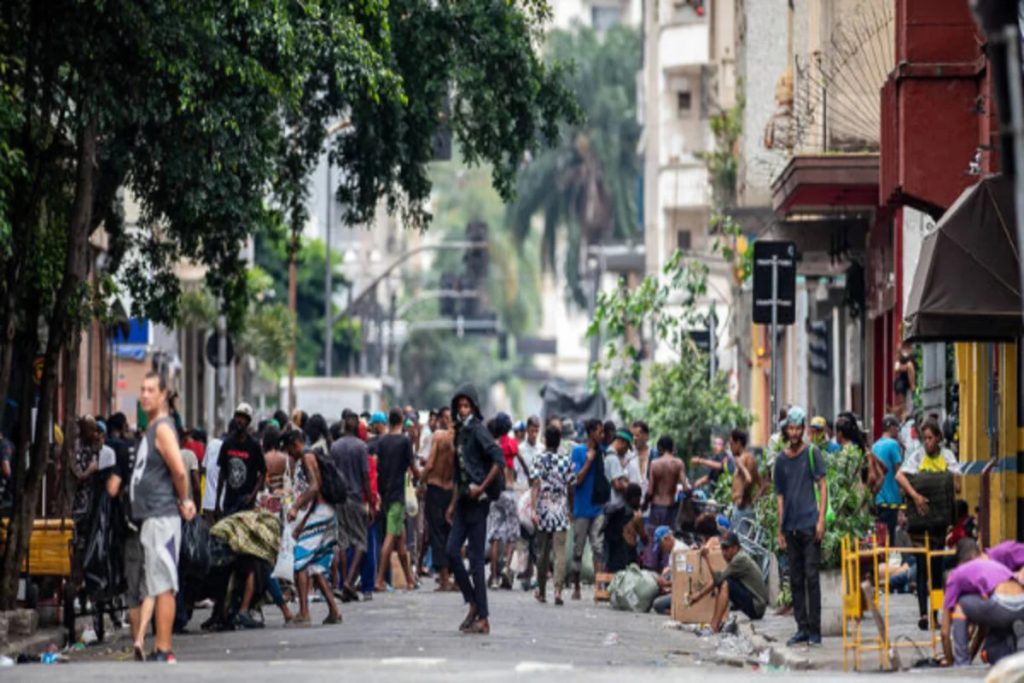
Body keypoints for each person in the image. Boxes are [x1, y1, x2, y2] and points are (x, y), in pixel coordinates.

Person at [128, 372, 196, 662]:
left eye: (150, 390)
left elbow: (179, 470)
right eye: (142, 389)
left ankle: (164, 648)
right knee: (157, 583)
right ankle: (157, 646)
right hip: (151, 519)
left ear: (163, 394)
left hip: (163, 517)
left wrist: (185, 500)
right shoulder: (152, 428)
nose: (144, 395)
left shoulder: (164, 429)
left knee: (164, 584)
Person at [445, 384, 504, 635]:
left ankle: (484, 617)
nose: (462, 410)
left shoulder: (479, 430)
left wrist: (481, 488)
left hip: (478, 504)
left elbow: (498, 459)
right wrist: (452, 504)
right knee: (451, 552)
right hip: (463, 503)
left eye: (466, 406)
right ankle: (472, 603)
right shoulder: (459, 433)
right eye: (459, 406)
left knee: (477, 561)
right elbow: (459, 473)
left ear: (474, 407)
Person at [896, 419, 962, 630]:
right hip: (920, 523)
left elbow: (957, 485)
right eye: (924, 439)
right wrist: (916, 496)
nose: (927, 443)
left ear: (939, 438)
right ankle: (924, 614)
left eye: (930, 438)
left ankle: (935, 614)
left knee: (935, 567)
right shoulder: (917, 457)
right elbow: (899, 476)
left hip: (939, 525)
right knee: (922, 567)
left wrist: (943, 482)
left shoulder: (948, 457)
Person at [773, 405, 826, 647]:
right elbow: (780, 497)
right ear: (786, 431)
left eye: (797, 428)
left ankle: (815, 630)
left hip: (809, 525)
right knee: (795, 579)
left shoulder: (813, 453)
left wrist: (821, 519)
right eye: (790, 429)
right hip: (791, 527)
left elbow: (823, 487)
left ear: (803, 430)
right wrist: (779, 529)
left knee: (812, 578)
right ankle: (801, 628)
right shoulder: (781, 461)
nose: (794, 433)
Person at [283, 427, 342, 625]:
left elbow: (315, 488)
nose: (289, 454)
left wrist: (297, 509)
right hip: (325, 513)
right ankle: (334, 610)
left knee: (300, 561)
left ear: (295, 444)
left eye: (289, 449)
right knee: (316, 566)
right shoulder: (311, 456)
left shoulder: (307, 457)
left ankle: (304, 612)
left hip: (319, 514)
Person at [941, 539, 1024, 667]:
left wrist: (953, 664)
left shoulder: (954, 577)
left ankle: (961, 663)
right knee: (992, 649)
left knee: (960, 606)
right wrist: (971, 656)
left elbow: (945, 632)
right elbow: (983, 629)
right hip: (1020, 603)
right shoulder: (990, 566)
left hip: (1003, 603)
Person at [374, 407, 421, 591]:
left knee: (400, 538)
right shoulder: (404, 441)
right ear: (401, 420)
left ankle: (409, 580)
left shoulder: (382, 441)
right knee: (391, 536)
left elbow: (376, 465)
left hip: (385, 493)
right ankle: (379, 580)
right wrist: (421, 480)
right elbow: (413, 467)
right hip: (398, 496)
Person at [530, 424, 573, 605]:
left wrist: (533, 509)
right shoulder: (566, 461)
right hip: (561, 511)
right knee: (560, 552)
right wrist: (570, 508)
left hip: (543, 511)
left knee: (543, 553)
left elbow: (535, 485)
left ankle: (541, 591)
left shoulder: (538, 459)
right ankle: (558, 591)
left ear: (546, 440)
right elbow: (571, 486)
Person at [331, 411, 371, 601]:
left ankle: (342, 583)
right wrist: (371, 502)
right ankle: (348, 582)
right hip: (355, 498)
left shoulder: (335, 446)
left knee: (343, 543)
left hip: (339, 500)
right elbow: (365, 477)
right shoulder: (361, 447)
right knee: (361, 543)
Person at [570, 419, 606, 601]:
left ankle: (599, 588)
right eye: (600, 432)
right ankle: (576, 587)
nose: (603, 435)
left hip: (597, 507)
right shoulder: (578, 452)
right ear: (591, 432)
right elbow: (576, 480)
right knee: (578, 549)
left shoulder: (603, 452)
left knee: (598, 548)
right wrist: (588, 461)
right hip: (582, 509)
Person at [421, 406, 455, 591]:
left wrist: (420, 480)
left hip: (435, 488)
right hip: (450, 491)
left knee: (436, 534)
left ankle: (443, 579)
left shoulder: (439, 436)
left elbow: (431, 462)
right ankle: (452, 576)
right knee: (450, 532)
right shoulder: (459, 441)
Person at [486, 413, 520, 588]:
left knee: (495, 535)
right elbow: (515, 455)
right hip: (509, 491)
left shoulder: (492, 445)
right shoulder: (511, 443)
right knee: (512, 533)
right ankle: (506, 566)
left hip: (494, 493)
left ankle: (493, 577)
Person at [215, 403, 265, 517]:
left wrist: (252, 495)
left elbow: (263, 472)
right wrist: (217, 503)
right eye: (238, 417)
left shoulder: (254, 446)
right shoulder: (227, 444)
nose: (240, 421)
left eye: (243, 418)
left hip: (246, 505)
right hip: (229, 503)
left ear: (248, 422)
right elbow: (222, 474)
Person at [603, 430, 636, 573]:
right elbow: (617, 484)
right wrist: (630, 487)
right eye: (626, 447)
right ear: (621, 442)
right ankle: (613, 577)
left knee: (612, 544)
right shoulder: (613, 458)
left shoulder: (608, 455)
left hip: (609, 508)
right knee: (615, 545)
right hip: (615, 508)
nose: (626, 451)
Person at [869, 414, 903, 544]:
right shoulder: (894, 444)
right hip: (891, 500)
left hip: (877, 500)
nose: (897, 432)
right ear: (891, 427)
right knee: (890, 539)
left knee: (880, 539)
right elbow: (898, 471)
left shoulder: (875, 446)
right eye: (897, 428)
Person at [645, 435, 688, 532]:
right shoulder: (678, 463)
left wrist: (644, 504)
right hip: (671, 507)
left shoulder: (654, 463)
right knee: (668, 538)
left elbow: (650, 491)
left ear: (660, 448)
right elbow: (685, 488)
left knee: (654, 537)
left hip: (656, 507)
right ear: (672, 447)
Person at [726, 429, 760, 529]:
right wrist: (753, 501)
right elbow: (762, 485)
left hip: (741, 508)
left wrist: (742, 500)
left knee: (741, 543)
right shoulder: (750, 458)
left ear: (738, 443)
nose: (730, 448)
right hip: (745, 507)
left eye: (732, 444)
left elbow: (749, 480)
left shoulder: (744, 459)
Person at [631, 420, 656, 491]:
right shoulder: (629, 455)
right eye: (633, 435)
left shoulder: (654, 454)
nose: (634, 438)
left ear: (646, 436)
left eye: (637, 435)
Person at [894, 342, 916, 418]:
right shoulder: (900, 352)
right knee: (904, 405)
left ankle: (904, 414)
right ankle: (903, 414)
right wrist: (905, 367)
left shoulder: (912, 351)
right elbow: (896, 367)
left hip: (909, 383)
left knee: (909, 406)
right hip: (902, 381)